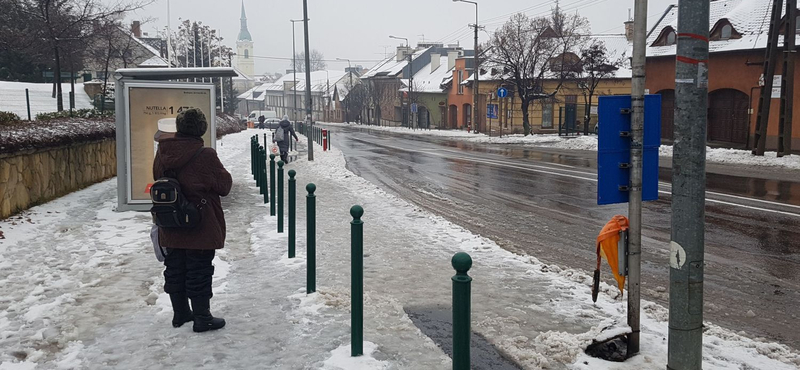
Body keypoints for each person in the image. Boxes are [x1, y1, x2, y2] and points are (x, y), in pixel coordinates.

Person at [153, 108, 232, 333]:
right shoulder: (204, 155)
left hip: (170, 221)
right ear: (202, 129)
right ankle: (202, 317)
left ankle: (180, 314)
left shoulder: (163, 152)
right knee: (199, 269)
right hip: (200, 223)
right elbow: (224, 186)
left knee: (175, 267)